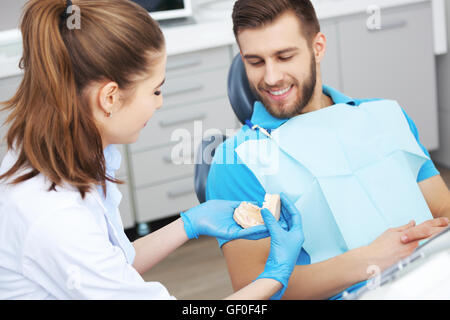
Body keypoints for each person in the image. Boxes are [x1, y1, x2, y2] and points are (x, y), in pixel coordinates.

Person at [0, 0, 304, 300]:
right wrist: (276, 275)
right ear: (110, 98)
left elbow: (113, 263)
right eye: (155, 90)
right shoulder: (54, 216)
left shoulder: (72, 152)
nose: (160, 102)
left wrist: (191, 222)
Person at [206, 0, 450, 300]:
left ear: (318, 47)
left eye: (284, 56)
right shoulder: (237, 160)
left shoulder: (386, 115)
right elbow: (255, 290)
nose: (270, 78)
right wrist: (371, 260)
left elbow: (442, 207)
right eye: (255, 61)